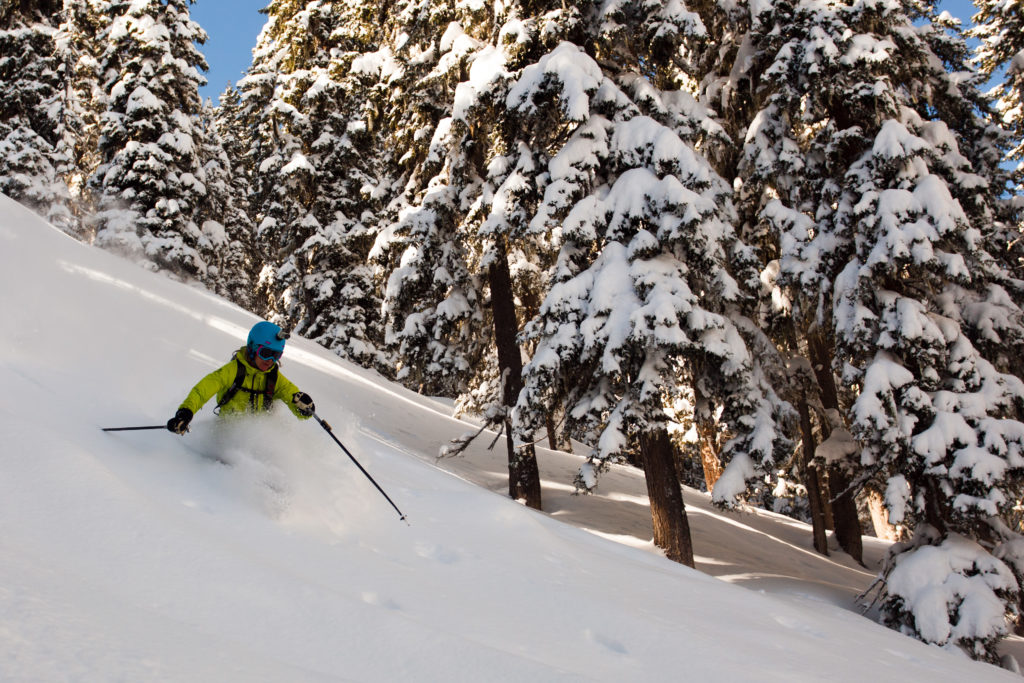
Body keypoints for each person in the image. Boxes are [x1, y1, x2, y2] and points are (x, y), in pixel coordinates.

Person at [167, 321, 315, 434]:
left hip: (259, 437)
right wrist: (186, 412)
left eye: (276, 355)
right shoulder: (233, 371)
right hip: (226, 435)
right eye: (265, 353)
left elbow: (291, 394)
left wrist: (303, 407)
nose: (270, 359)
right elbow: (203, 390)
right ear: (252, 348)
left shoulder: (273, 378)